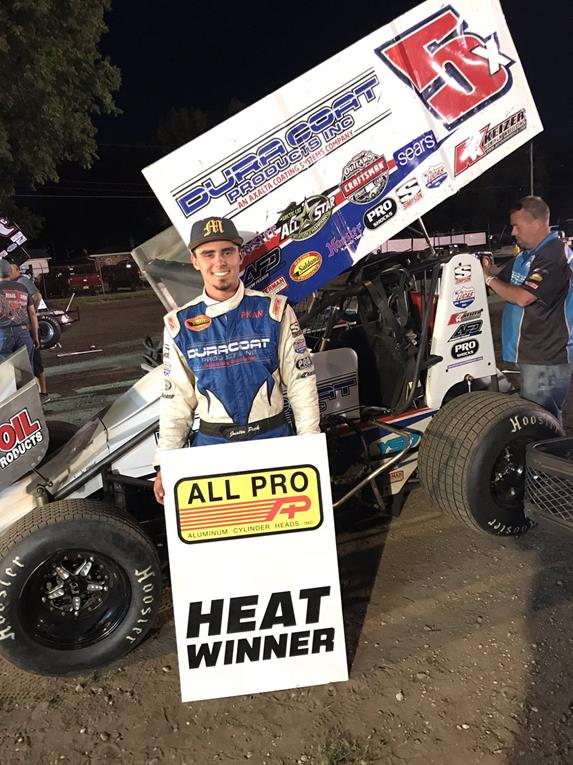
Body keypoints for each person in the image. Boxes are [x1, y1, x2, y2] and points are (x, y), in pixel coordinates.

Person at [153, 217, 321, 504]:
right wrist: (165, 463)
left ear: (240, 257)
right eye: (208, 254)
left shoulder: (275, 310)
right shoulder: (178, 325)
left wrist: (310, 443)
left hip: (273, 441)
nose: (219, 261)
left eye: (227, 252)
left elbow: (300, 381)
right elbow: (175, 400)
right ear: (195, 261)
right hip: (212, 447)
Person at [483, 195, 573, 421]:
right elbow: (499, 284)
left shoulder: (553, 255)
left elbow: (523, 297)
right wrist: (481, 272)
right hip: (531, 354)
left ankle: (552, 444)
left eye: (517, 226)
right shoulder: (526, 256)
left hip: (547, 358)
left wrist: (487, 278)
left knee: (543, 421)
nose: (513, 232)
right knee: (536, 418)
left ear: (536, 222)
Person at [8, 261, 49, 402]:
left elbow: (38, 296)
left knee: (34, 362)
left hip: (27, 328)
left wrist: (33, 311)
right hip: (23, 328)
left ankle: (43, 393)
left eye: (11, 270)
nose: (9, 272)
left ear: (18, 270)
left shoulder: (22, 281)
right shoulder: (14, 284)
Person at [0, 258, 39, 365]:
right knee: (25, 370)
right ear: (10, 271)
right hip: (23, 333)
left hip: (2, 334)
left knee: (5, 370)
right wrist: (35, 335)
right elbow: (32, 313)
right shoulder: (22, 287)